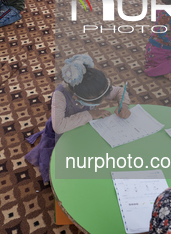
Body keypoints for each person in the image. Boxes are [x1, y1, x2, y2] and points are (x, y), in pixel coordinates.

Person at [24, 54, 130, 183]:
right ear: (76, 97)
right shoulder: (60, 95)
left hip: (85, 126)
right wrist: (90, 114)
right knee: (69, 166)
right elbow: (58, 127)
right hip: (63, 133)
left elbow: (119, 91)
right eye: (94, 101)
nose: (101, 102)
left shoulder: (95, 87)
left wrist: (123, 105)